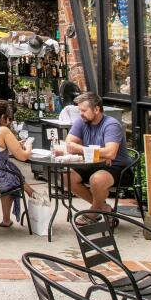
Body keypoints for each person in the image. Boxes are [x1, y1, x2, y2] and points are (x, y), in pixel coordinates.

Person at [62, 91, 131, 222]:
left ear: (97, 109)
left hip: (117, 167)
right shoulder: (81, 121)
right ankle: (102, 207)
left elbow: (111, 153)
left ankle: (93, 213)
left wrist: (81, 149)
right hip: (93, 163)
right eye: (79, 110)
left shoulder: (111, 124)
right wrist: (98, 152)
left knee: (97, 180)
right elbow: (69, 144)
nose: (81, 114)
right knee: (67, 175)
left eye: (84, 110)